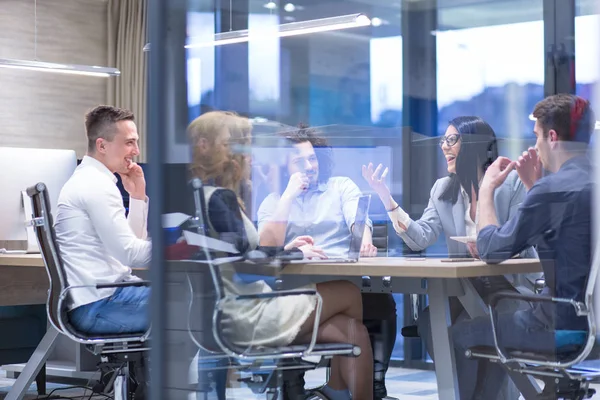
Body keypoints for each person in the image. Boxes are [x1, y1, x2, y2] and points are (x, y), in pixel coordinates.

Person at [188, 111, 374, 400]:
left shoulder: (205, 194)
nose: (248, 156)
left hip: (234, 308)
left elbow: (242, 253)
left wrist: (289, 250)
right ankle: (334, 391)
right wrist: (295, 252)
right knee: (350, 293)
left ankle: (336, 391)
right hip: (247, 313)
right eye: (238, 146)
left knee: (353, 331)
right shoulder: (223, 199)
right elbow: (248, 263)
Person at [362, 116, 539, 400]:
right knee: (433, 321)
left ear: (473, 145)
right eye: (443, 140)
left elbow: (525, 235)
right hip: (463, 289)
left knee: (490, 322)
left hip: (508, 286)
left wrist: (495, 247)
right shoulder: (443, 189)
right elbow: (420, 237)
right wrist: (386, 197)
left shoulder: (512, 182)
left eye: (452, 139)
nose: (444, 146)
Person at [452, 94, 595, 399]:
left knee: (461, 333)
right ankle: (556, 391)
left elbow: (491, 249)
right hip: (593, 327)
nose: (537, 145)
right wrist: (532, 189)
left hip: (560, 325)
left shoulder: (552, 189)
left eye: (537, 137)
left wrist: (488, 188)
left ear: (552, 137)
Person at [256, 126, 397, 400]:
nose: (309, 166)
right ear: (283, 166)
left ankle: (333, 388)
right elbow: (266, 247)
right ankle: (334, 389)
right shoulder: (272, 202)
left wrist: (365, 240)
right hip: (296, 295)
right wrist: (288, 195)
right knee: (353, 326)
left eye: (313, 158)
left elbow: (359, 219)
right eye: (300, 161)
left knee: (365, 311)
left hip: (339, 287)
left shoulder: (340, 186)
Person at [55, 105, 151, 335]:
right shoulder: (95, 185)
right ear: (102, 145)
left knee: (193, 299)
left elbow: (129, 250)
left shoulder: (96, 180)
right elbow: (131, 254)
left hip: (104, 298)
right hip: (101, 304)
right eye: (129, 142)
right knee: (199, 303)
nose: (136, 150)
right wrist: (180, 248)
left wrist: (137, 197)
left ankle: (150, 371)